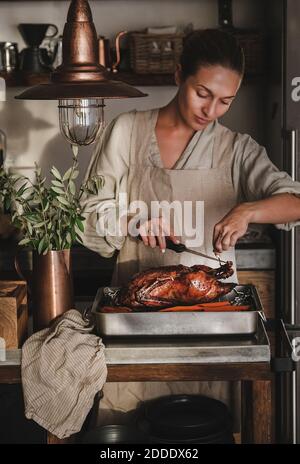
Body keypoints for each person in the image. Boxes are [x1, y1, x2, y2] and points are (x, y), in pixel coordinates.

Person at [81, 29, 300, 426]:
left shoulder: (237, 148)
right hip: (135, 328)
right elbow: (88, 216)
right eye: (203, 93)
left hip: (214, 331)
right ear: (180, 74)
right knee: (132, 430)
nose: (211, 110)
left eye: (225, 101)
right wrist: (132, 221)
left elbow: (295, 203)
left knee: (207, 429)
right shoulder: (127, 131)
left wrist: (247, 210)